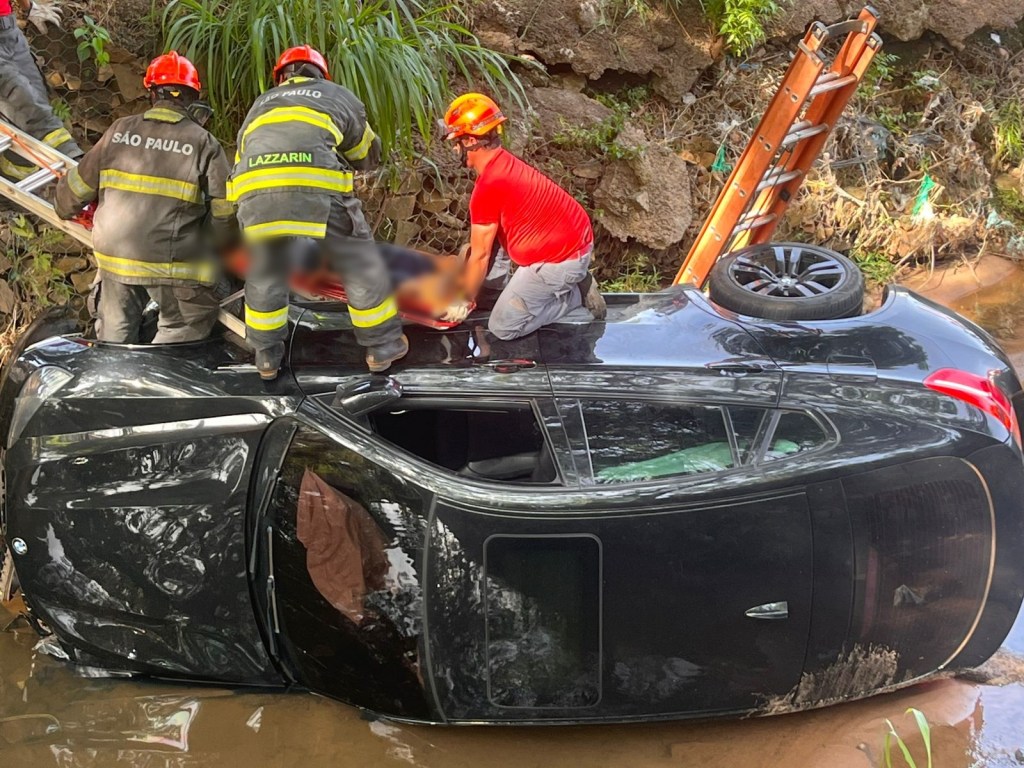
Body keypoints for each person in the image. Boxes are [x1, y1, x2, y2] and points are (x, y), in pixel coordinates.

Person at [229, 45, 407, 380]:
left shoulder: (258, 105)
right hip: (317, 192)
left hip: (256, 195)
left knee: (266, 269)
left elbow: (241, 156)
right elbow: (366, 153)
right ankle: (382, 346)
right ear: (321, 73)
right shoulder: (336, 95)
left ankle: (267, 357)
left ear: (281, 76)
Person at [55, 51, 235, 343]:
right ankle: (160, 378)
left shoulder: (119, 130)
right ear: (192, 98)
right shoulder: (203, 143)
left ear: (152, 93)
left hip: (116, 262)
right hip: (174, 268)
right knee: (180, 333)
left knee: (114, 342)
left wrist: (62, 205)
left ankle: (113, 379)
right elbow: (225, 212)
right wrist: (214, 243)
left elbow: (74, 191)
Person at [439, 92, 606, 340]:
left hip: (561, 261)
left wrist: (462, 301)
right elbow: (487, 246)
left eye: (457, 141)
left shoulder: (489, 186)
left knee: (503, 327)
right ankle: (495, 296)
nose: (455, 148)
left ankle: (575, 296)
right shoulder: (502, 164)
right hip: (571, 241)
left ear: (472, 141)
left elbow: (481, 256)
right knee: (485, 244)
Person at [0, 0, 82, 179]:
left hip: (8, 32)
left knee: (37, 95)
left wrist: (29, 7)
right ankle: (72, 159)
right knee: (21, 98)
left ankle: (15, 182)